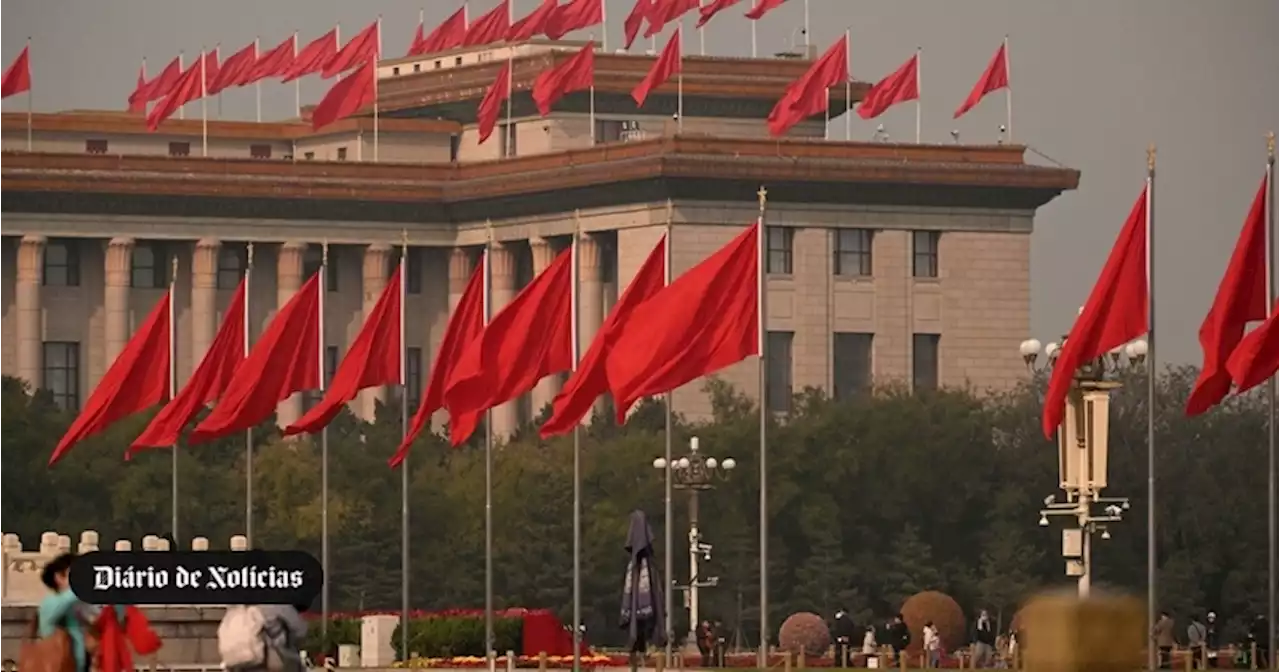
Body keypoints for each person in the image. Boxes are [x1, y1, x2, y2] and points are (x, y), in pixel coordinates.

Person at [35, 552, 92, 672]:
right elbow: (65, 602)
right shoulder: (50, 602)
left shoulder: (76, 603)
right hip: (57, 665)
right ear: (59, 577)